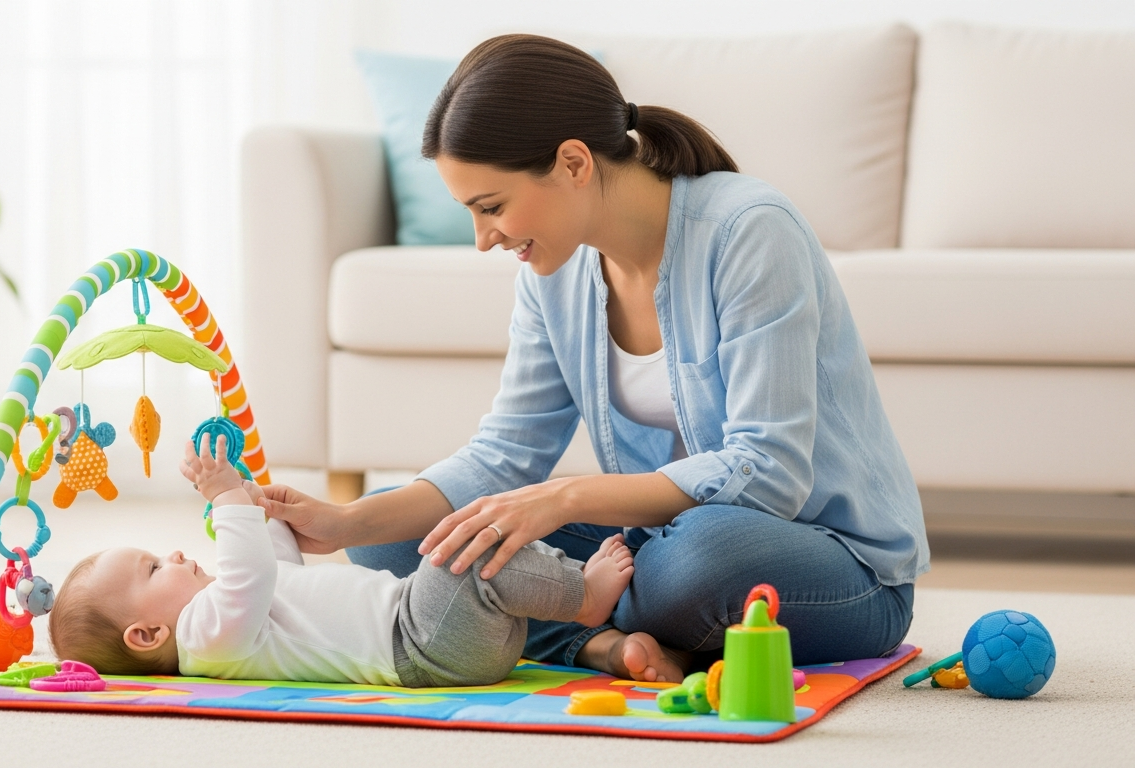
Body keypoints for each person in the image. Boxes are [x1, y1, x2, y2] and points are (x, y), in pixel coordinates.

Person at [256, 33, 928, 683]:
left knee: (693, 562)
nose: (483, 240)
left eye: (491, 207)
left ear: (573, 163)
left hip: (830, 566)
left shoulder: (748, 230)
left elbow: (770, 471)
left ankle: (563, 614)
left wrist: (562, 502)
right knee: (405, 537)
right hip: (645, 552)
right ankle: (604, 641)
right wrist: (344, 522)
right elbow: (503, 455)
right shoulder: (554, 274)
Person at [46, 434, 636, 686]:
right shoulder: (206, 640)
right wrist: (227, 502)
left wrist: (264, 513)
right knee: (461, 545)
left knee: (464, 545)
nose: (173, 553)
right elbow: (248, 577)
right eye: (154, 567)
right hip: (421, 643)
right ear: (148, 635)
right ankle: (579, 600)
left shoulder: (232, 625)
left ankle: (566, 603)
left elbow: (272, 570)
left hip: (436, 635)